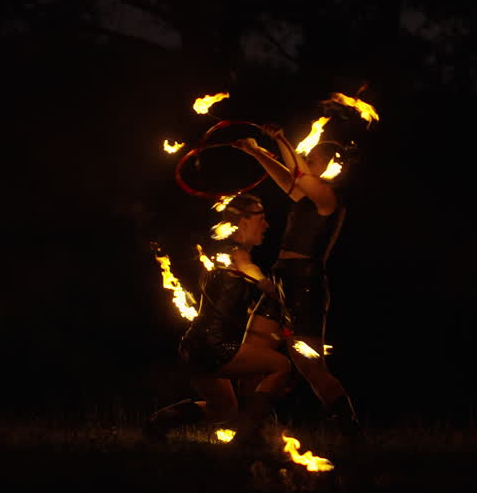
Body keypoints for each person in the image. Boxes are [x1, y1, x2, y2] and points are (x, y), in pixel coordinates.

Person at [234, 126, 363, 440]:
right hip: (282, 279)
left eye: (314, 158)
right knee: (251, 354)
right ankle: (250, 433)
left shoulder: (328, 197)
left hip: (305, 286)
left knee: (311, 367)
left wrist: (281, 139)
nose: (307, 159)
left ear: (330, 164)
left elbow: (296, 172)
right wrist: (256, 151)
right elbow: (288, 178)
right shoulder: (307, 194)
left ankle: (351, 433)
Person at [144, 194, 291, 445]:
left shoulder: (222, 255)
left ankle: (158, 423)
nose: (266, 225)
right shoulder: (235, 254)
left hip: (194, 346)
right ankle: (247, 435)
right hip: (213, 347)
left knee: (223, 409)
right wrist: (263, 282)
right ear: (243, 222)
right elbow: (246, 266)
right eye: (261, 219)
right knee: (281, 367)